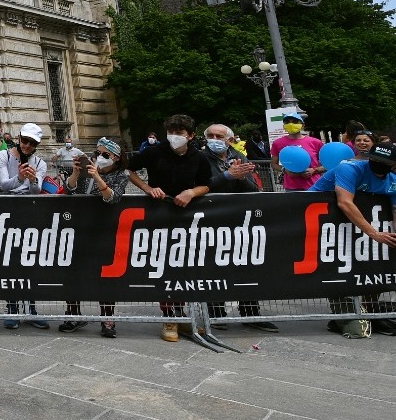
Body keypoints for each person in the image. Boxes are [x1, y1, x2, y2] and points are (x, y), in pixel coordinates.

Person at [126, 114, 213, 342]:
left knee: (185, 265)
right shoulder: (155, 152)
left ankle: (183, 315)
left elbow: (207, 183)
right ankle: (169, 316)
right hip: (159, 216)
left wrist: (191, 192)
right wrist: (147, 187)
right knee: (164, 266)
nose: (174, 137)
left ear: (191, 136)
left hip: (187, 217)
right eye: (171, 132)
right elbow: (129, 169)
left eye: (180, 133)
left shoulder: (199, 157)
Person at [308, 142, 396, 337]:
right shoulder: (349, 168)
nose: (378, 164)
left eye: (384, 162)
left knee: (372, 266)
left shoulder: (393, 181)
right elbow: (345, 203)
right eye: (375, 160)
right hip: (322, 224)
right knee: (336, 268)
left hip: (359, 231)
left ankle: (366, 311)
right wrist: (374, 233)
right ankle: (345, 313)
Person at [198, 124, 278, 333]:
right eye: (211, 136)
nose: (214, 139)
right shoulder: (199, 158)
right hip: (211, 219)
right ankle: (215, 312)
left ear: (230, 139)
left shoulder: (240, 157)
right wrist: (227, 176)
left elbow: (254, 189)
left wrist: (241, 178)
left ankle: (250, 312)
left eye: (220, 136)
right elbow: (200, 186)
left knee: (246, 265)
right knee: (214, 266)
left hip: (240, 220)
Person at [62, 137, 130, 337]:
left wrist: (98, 177)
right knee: (74, 272)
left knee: (105, 276)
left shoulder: (122, 174)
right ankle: (73, 314)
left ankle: (107, 318)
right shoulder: (86, 170)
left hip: (105, 228)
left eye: (105, 155)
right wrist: (76, 173)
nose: (99, 157)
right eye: (97, 153)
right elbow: (69, 190)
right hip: (80, 227)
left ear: (116, 158)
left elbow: (113, 197)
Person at [0, 123, 50, 329]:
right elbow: (3, 185)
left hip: (29, 213)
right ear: (19, 138)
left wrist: (33, 179)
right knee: (10, 261)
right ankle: (12, 308)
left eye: (31, 143)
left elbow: (37, 191)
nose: (26, 146)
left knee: (30, 261)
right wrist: (20, 177)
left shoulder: (40, 162)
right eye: (24, 141)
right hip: (6, 212)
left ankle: (31, 308)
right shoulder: (3, 156)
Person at [271, 111, 325, 192]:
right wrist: (285, 170)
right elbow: (274, 164)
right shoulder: (277, 143)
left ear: (303, 125)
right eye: (287, 122)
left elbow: (326, 165)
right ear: (284, 126)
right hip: (291, 188)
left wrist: (314, 170)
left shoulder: (316, 142)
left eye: (295, 122)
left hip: (314, 186)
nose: (291, 124)